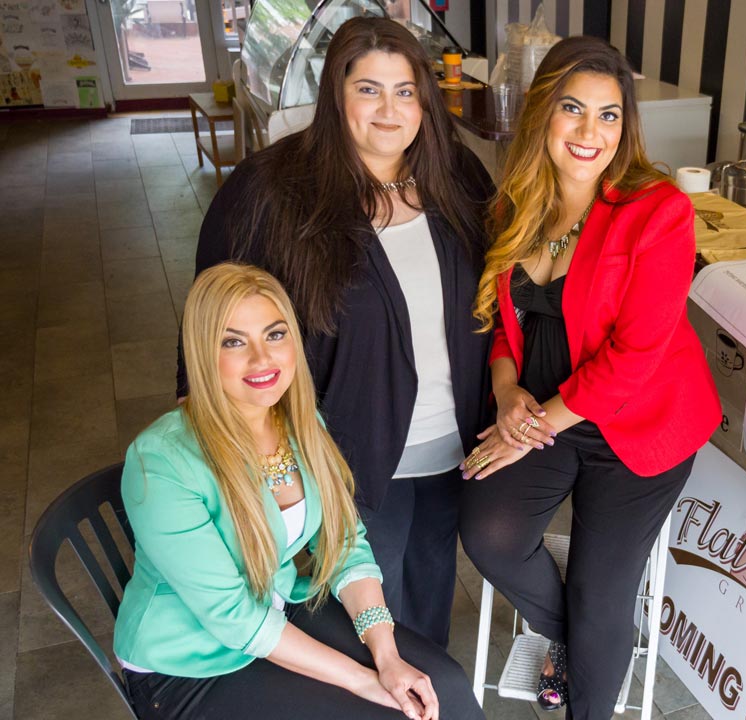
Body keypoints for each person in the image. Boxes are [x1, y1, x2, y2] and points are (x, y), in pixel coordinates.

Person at [187, 17, 493, 647]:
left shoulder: (456, 176)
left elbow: (496, 298)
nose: (389, 110)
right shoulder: (273, 191)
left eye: (406, 91)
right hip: (347, 459)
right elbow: (215, 320)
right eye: (368, 90)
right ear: (334, 95)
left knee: (430, 596)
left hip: (453, 446)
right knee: (368, 621)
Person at [458, 36, 721, 718]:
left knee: (604, 594)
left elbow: (635, 357)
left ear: (625, 126)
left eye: (609, 115)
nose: (589, 132)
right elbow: (500, 318)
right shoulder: (516, 202)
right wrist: (510, 391)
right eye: (573, 109)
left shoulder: (657, 212)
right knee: (490, 535)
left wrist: (532, 425)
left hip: (639, 426)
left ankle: (588, 669)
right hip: (546, 409)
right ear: (543, 110)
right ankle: (573, 638)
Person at [116, 263, 484, 720]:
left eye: (274, 335)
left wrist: (386, 657)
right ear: (203, 353)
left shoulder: (300, 424)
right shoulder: (161, 462)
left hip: (279, 609)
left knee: (442, 685)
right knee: (387, 712)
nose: (261, 359)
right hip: (187, 667)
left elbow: (345, 543)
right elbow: (234, 617)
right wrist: (363, 680)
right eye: (234, 342)